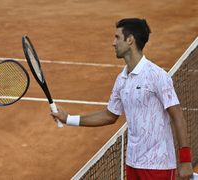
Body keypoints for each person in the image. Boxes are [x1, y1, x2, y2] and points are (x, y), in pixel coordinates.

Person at [51, 18, 193, 179]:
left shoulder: (156, 75)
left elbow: (178, 116)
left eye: (117, 37)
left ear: (130, 39)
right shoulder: (122, 80)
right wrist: (68, 119)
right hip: (132, 164)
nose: (113, 43)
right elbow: (109, 115)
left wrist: (186, 160)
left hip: (158, 165)